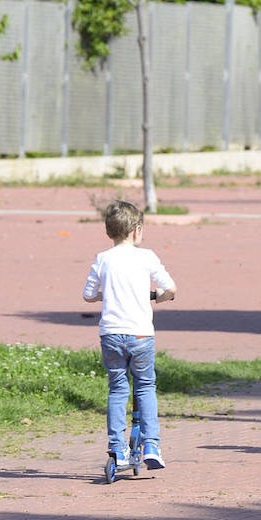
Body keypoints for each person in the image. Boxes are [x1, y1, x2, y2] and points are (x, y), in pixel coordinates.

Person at [82, 200, 177, 468]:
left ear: (109, 231)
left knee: (117, 389)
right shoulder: (146, 257)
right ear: (136, 230)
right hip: (140, 336)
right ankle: (151, 444)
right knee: (145, 386)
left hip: (111, 335)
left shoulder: (102, 259)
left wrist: (108, 293)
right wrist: (160, 296)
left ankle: (117, 447)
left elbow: (88, 295)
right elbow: (170, 287)